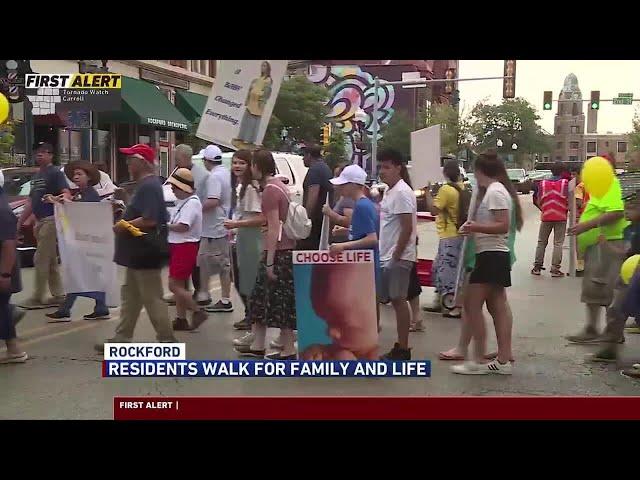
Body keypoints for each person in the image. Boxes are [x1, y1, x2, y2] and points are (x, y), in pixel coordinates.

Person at [95, 144, 176, 350]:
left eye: (131, 159)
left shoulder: (149, 186)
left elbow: (149, 220)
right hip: (137, 252)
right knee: (131, 297)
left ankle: (166, 339)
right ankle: (122, 337)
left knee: (152, 297)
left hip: (145, 251)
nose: (128, 163)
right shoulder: (145, 185)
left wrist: (123, 224)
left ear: (142, 162)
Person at [451, 151, 523, 375]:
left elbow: (502, 225)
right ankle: (501, 359)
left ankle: (478, 359)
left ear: (480, 171)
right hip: (493, 254)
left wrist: (475, 227)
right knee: (496, 305)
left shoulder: (495, 192)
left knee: (472, 304)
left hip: (491, 254)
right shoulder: (498, 191)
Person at [234, 150, 297, 360]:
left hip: (278, 252)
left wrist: (269, 260)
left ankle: (288, 349)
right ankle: (259, 344)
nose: (250, 169)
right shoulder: (279, 186)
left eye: (252, 165)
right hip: (283, 251)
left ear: (258, 166)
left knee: (279, 301)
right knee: (261, 298)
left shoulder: (270, 190)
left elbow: (272, 227)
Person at [566, 153, 628, 344]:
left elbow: (616, 213)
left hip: (608, 244)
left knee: (606, 288)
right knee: (594, 288)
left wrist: (586, 225)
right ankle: (593, 328)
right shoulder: (602, 188)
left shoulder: (611, 186)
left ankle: (612, 334)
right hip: (599, 244)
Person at [45, 161, 110, 322]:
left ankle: (92, 306)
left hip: (90, 242)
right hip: (83, 241)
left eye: (80, 174)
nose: (76, 177)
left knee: (83, 275)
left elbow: (81, 212)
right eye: (74, 175)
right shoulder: (80, 194)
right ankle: (92, 307)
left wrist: (62, 203)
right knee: (79, 274)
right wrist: (56, 201)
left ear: (89, 177)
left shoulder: (91, 194)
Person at [586, 191, 640, 363]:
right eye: (626, 208)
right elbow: (625, 253)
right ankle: (611, 346)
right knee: (616, 309)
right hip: (628, 273)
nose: (627, 211)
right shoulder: (629, 230)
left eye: (632, 208)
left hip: (636, 272)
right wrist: (606, 245)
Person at [18, 142, 70, 309]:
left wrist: (59, 199)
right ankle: (59, 295)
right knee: (51, 260)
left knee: (40, 258)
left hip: (51, 219)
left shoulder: (55, 173)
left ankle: (37, 297)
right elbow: (31, 201)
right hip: (40, 220)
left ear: (51, 155)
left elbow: (66, 193)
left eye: (43, 152)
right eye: (37, 152)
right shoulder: (36, 176)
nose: (39, 155)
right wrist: (21, 222)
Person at [377, 148, 418, 361]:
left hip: (399, 257)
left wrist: (395, 257)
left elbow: (407, 228)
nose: (382, 171)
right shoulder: (390, 191)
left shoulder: (402, 192)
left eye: (387, 167)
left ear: (398, 168)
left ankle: (403, 348)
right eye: (380, 166)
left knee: (399, 299)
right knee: (394, 299)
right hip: (389, 255)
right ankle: (401, 346)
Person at [224, 150, 264, 337]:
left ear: (250, 165)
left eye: (241, 163)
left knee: (246, 280)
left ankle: (254, 317)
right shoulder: (240, 186)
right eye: (234, 163)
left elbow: (259, 218)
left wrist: (236, 224)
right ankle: (251, 315)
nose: (237, 166)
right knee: (239, 278)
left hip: (250, 238)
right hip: (239, 236)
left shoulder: (250, 188)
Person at [164, 144, 209, 305]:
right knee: (180, 278)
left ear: (185, 157)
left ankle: (198, 296)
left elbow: (202, 200)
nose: (175, 162)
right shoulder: (177, 172)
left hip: (193, 231)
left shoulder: (201, 176)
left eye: (177, 158)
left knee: (193, 269)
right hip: (178, 233)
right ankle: (182, 299)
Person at [165, 168, 208, 332]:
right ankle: (181, 318)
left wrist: (165, 226)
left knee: (173, 285)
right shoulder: (184, 202)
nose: (173, 190)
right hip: (179, 245)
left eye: (175, 187)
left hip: (185, 245)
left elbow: (183, 226)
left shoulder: (192, 203)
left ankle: (197, 311)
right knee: (180, 284)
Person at [423, 159, 466, 318]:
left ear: (445, 173)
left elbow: (434, 210)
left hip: (448, 235)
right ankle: (440, 299)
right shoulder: (462, 187)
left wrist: (427, 192)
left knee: (445, 270)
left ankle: (448, 302)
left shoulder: (446, 190)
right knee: (443, 268)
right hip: (459, 234)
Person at [196, 145, 233, 313]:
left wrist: (195, 209)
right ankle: (217, 297)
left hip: (213, 228)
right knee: (221, 264)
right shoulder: (225, 173)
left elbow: (213, 200)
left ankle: (213, 297)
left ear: (206, 161)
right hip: (220, 225)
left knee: (208, 262)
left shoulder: (214, 178)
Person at [0, 180, 27, 363]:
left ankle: (15, 350)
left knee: (1, 307)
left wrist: (4, 274)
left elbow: (9, 244)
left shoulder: (2, 212)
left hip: (3, 268)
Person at [531, 162, 569, 277]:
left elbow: (537, 199)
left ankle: (537, 267)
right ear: (562, 172)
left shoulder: (542, 184)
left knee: (542, 242)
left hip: (546, 215)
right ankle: (555, 269)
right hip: (561, 215)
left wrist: (543, 209)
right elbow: (570, 199)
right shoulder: (565, 183)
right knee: (558, 243)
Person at [299, 144, 333, 250]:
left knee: (307, 250)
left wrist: (306, 219)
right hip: (323, 219)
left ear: (309, 155)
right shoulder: (325, 167)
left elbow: (312, 196)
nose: (303, 159)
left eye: (304, 156)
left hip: (316, 220)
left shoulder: (314, 171)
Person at [233, 61, 273, 149]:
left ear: (268, 68)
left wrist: (261, 101)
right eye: (262, 66)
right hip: (251, 102)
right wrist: (247, 99)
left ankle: (249, 140)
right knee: (245, 121)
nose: (262, 67)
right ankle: (241, 137)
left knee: (252, 123)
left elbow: (267, 93)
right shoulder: (258, 78)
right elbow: (251, 88)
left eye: (264, 66)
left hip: (257, 104)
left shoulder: (268, 80)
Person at [322, 163, 355, 244]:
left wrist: (330, 213)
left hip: (344, 243)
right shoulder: (342, 197)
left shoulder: (348, 199)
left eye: (337, 176)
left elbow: (349, 221)